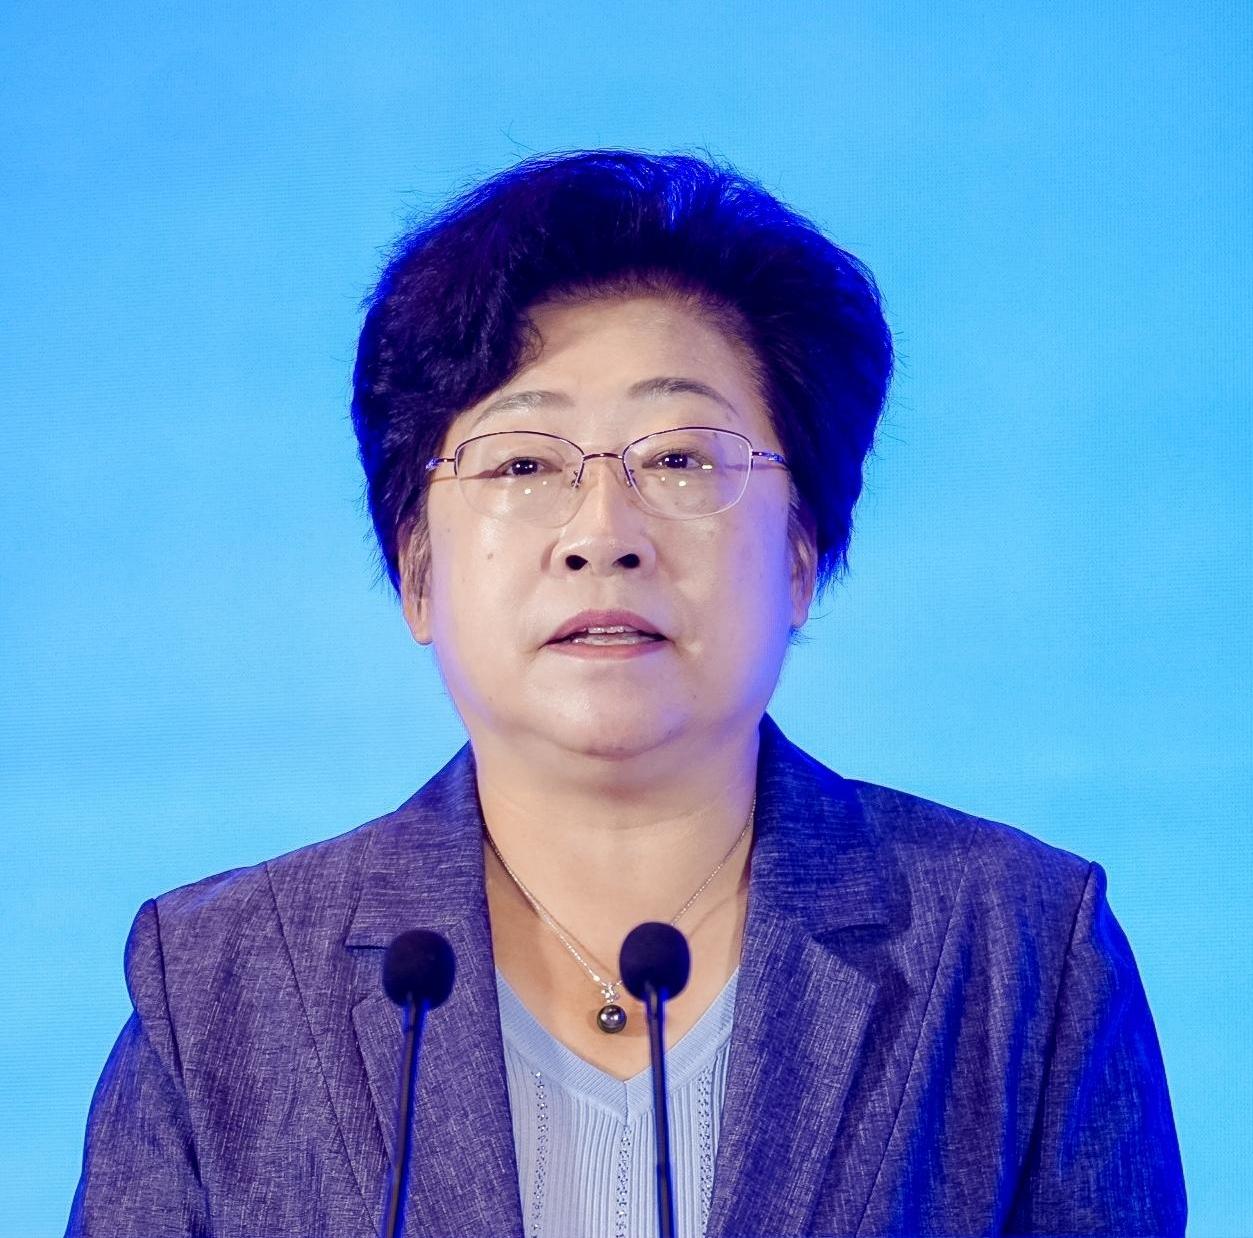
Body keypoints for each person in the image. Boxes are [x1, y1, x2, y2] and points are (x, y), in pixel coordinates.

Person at [66, 150, 1186, 1237]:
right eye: (522, 464)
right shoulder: (219, 985)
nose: (601, 534)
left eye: (680, 460)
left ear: (799, 556)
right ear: (418, 574)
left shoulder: (1014, 951)